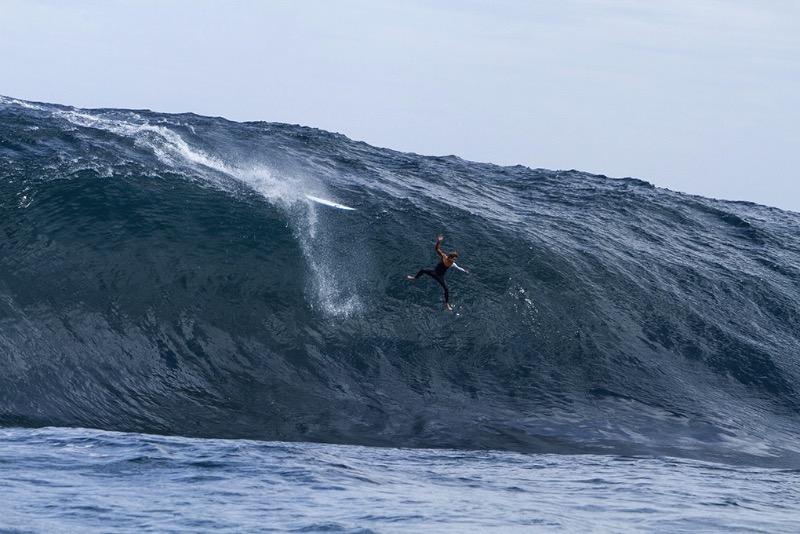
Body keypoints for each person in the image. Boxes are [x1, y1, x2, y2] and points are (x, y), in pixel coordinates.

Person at [407, 234, 469, 311]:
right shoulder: (443, 256)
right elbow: (437, 249)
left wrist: (464, 271)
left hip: (440, 277)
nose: (454, 261)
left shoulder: (452, 264)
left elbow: (459, 268)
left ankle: (446, 304)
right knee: (423, 270)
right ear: (449, 257)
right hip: (434, 272)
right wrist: (438, 241)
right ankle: (415, 278)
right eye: (453, 259)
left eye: (455, 260)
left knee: (446, 289)